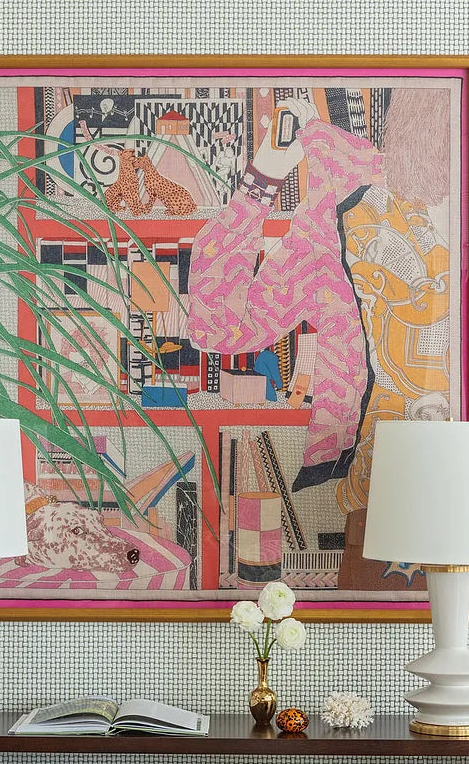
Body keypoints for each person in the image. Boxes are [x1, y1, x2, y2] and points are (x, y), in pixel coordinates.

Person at [187, 90, 455, 511]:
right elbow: (217, 324)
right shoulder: (344, 206)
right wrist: (263, 179)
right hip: (359, 491)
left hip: (459, 480)